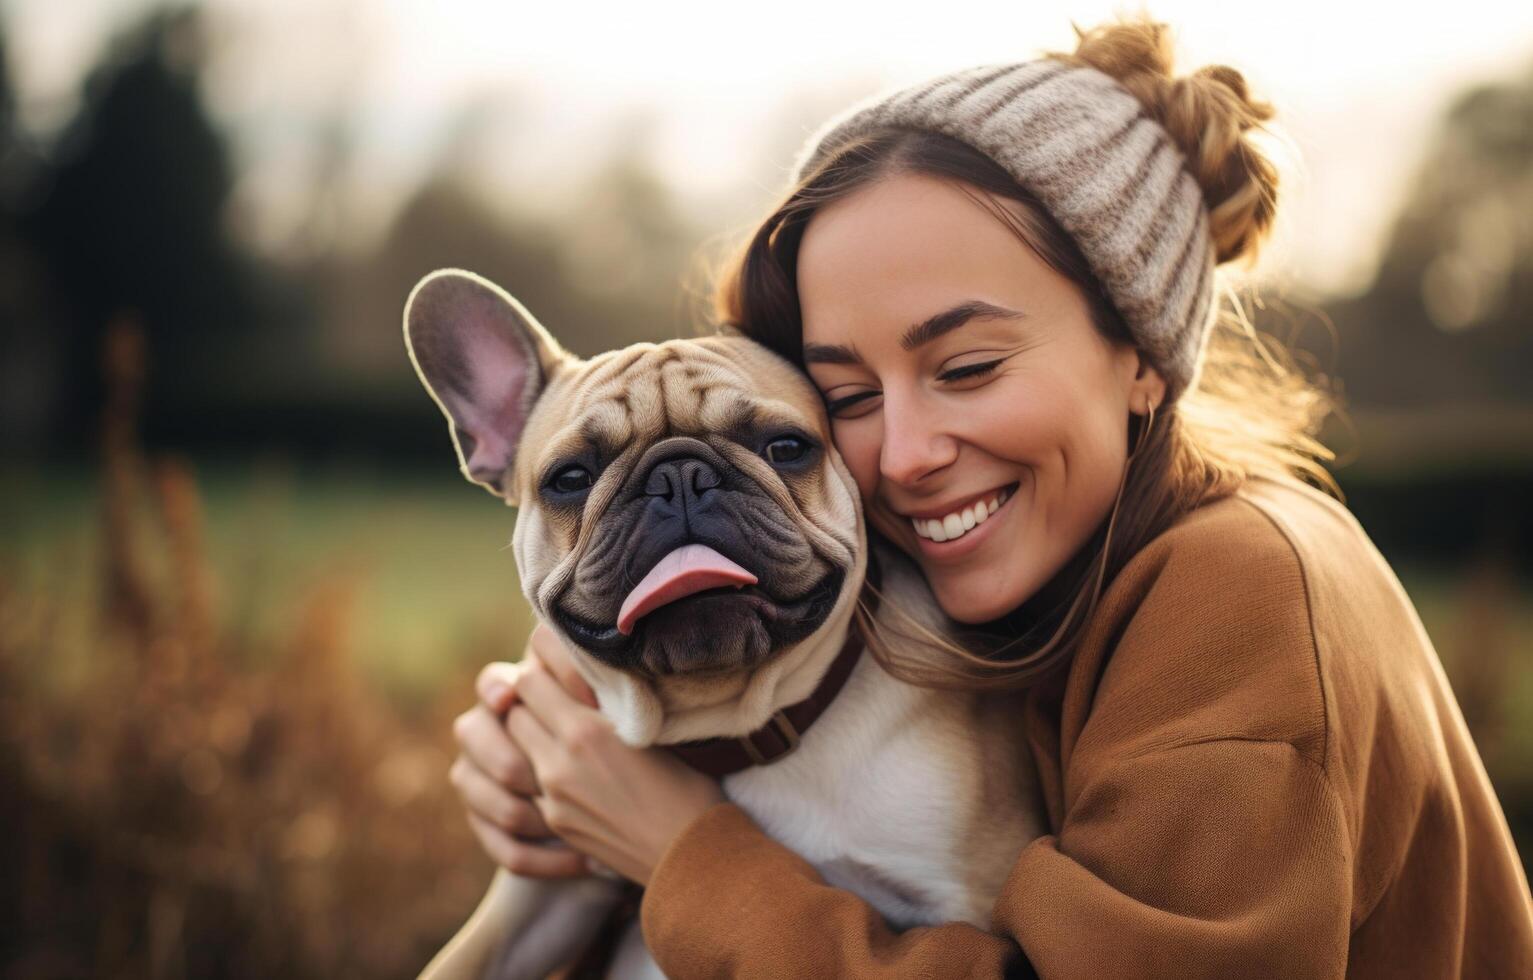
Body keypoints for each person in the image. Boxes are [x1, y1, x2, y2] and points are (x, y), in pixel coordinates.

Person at [447, 16, 1533, 977]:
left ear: (1142, 355)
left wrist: (685, 852)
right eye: (847, 395)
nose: (909, 452)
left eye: (967, 367)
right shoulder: (972, 553)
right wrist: (540, 728)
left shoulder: (1245, 590)